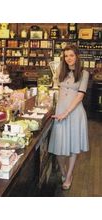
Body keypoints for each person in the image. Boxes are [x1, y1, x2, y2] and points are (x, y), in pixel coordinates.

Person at [48, 44, 89, 190]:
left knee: (72, 147)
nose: (69, 58)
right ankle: (64, 172)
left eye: (71, 55)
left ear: (77, 56)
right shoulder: (60, 70)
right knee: (59, 147)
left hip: (74, 113)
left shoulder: (84, 73)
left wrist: (66, 113)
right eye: (66, 56)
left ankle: (69, 175)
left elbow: (80, 96)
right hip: (60, 111)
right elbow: (56, 88)